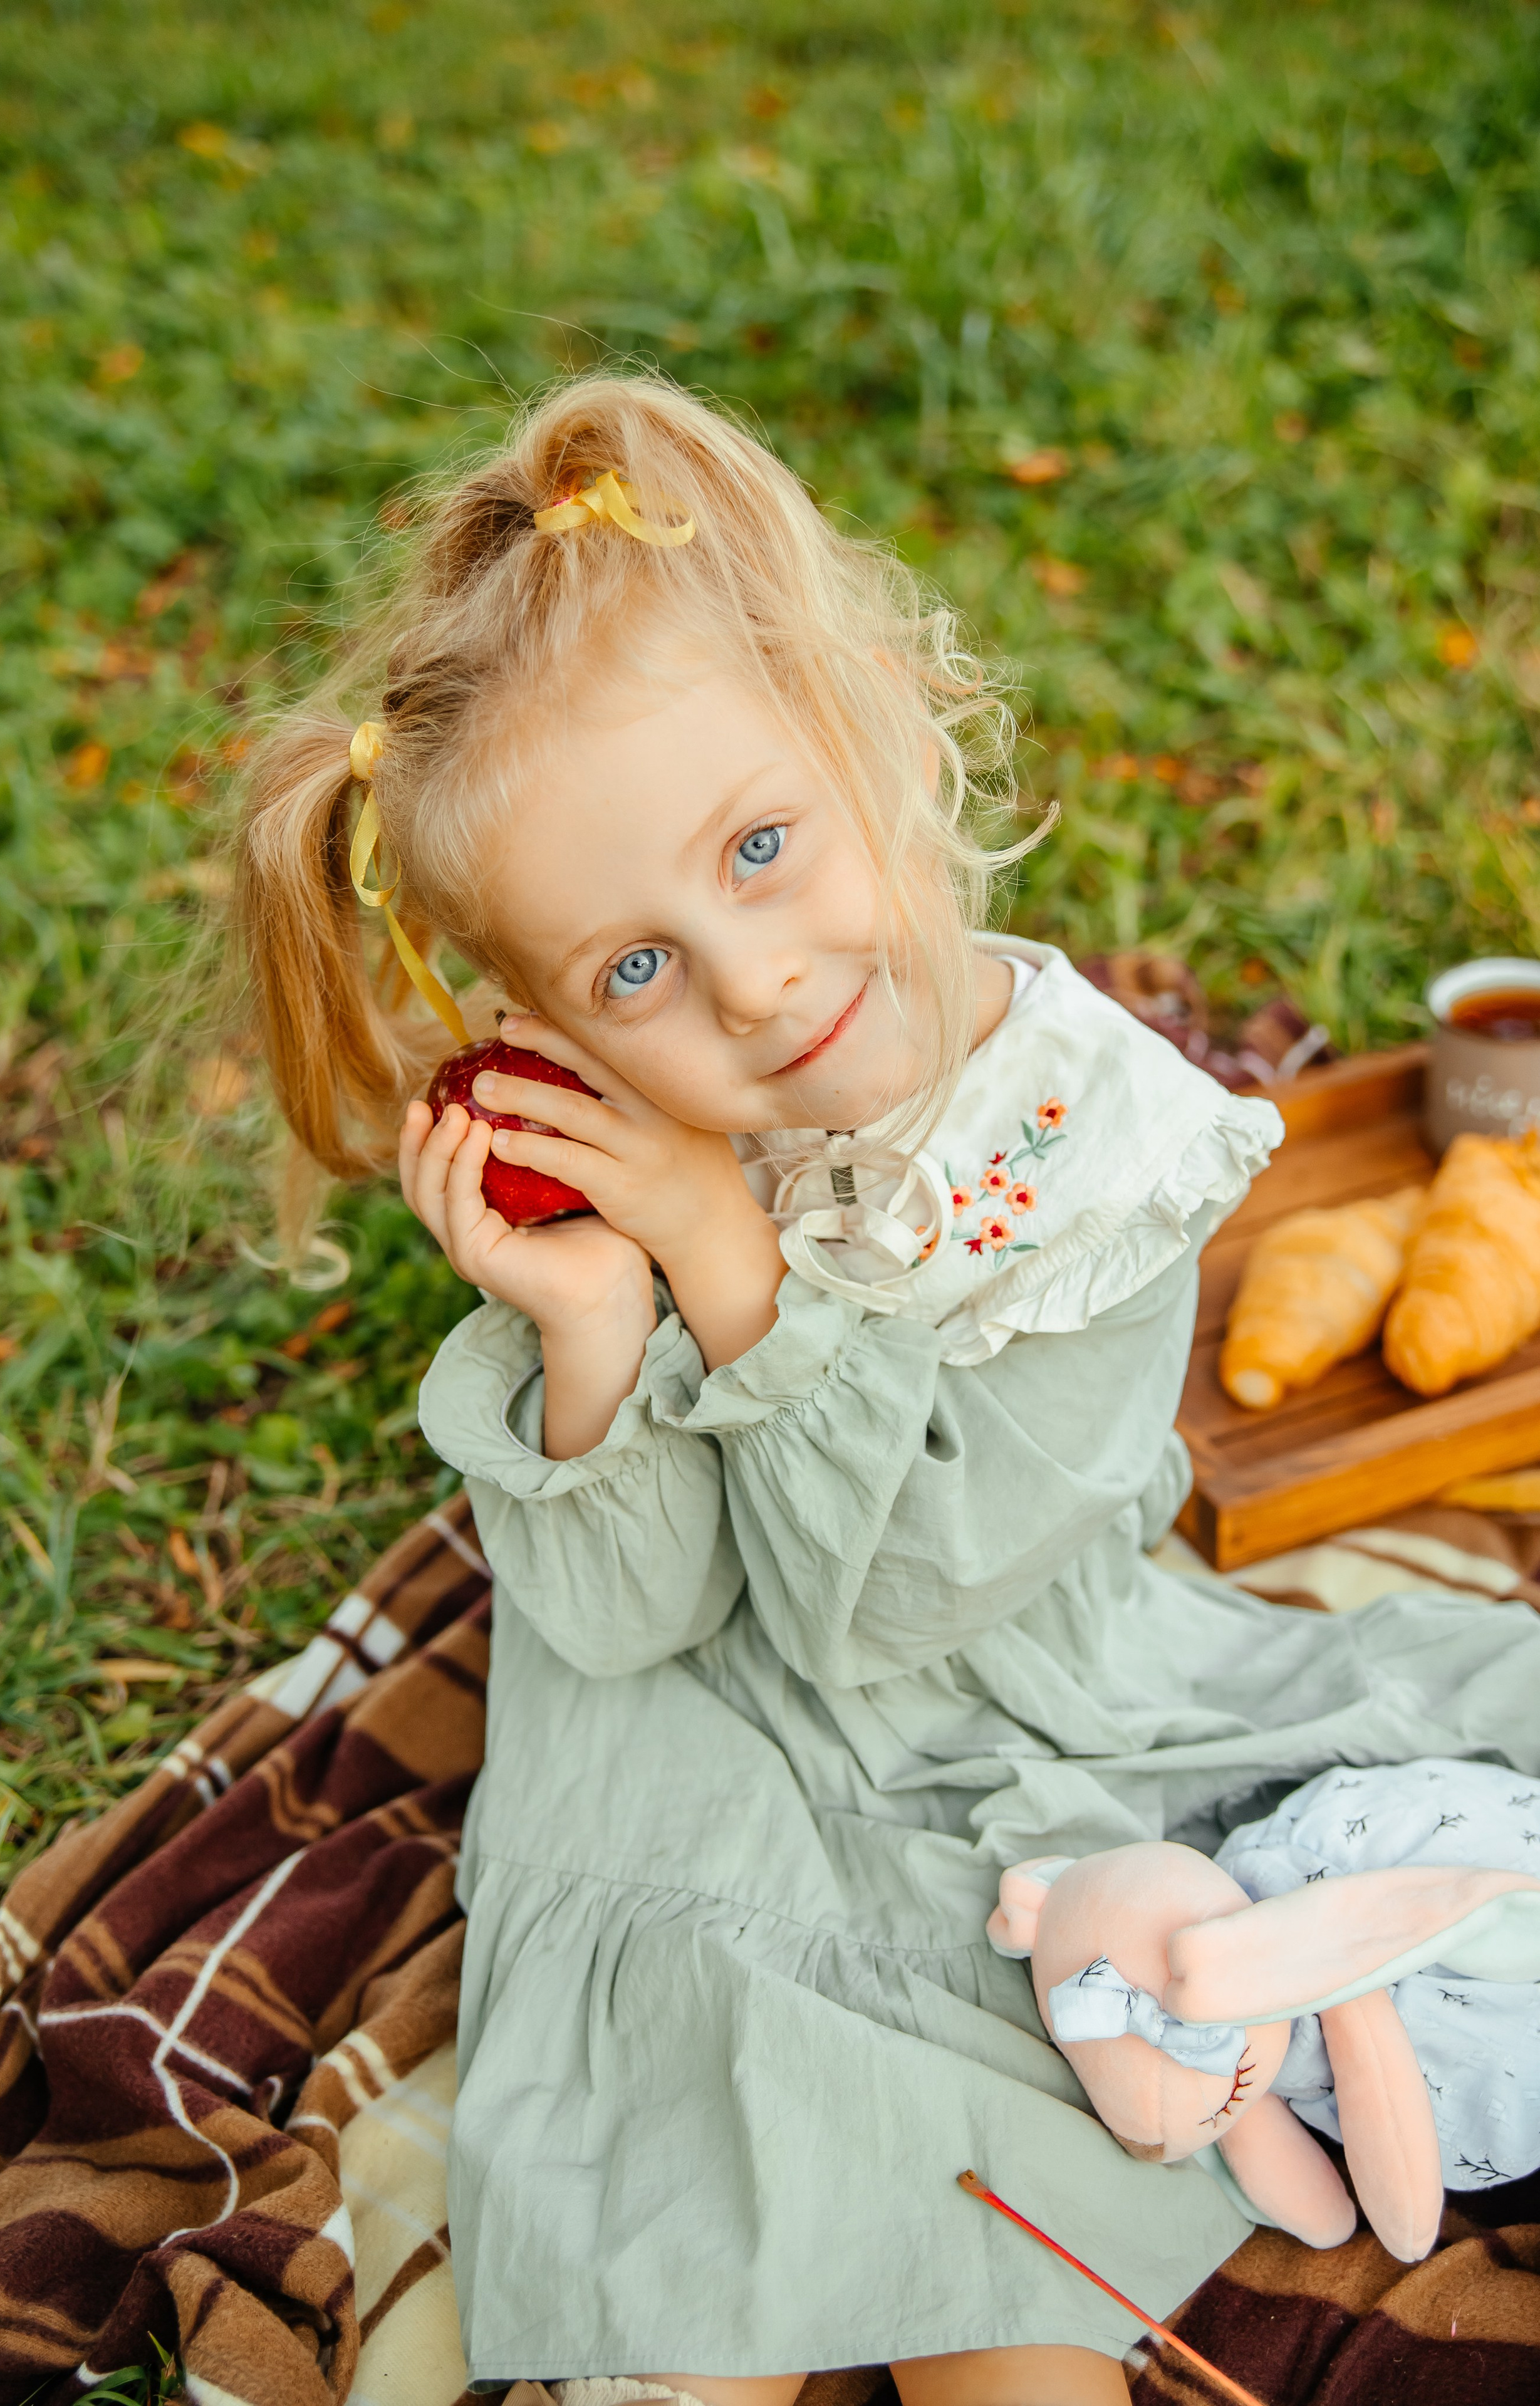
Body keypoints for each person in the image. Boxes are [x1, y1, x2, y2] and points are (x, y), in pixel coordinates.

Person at [235, 372, 1540, 2406]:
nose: (748, 978)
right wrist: (596, 1323)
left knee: (994, 2282)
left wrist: (738, 1269)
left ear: (879, 730)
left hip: (1006, 1708)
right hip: (695, 1762)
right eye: (632, 971)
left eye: (762, 846)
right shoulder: (648, 1160)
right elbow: (633, 1619)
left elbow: (905, 1604)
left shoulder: (1085, 1137)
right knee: (686, 2259)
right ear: (535, 1032)